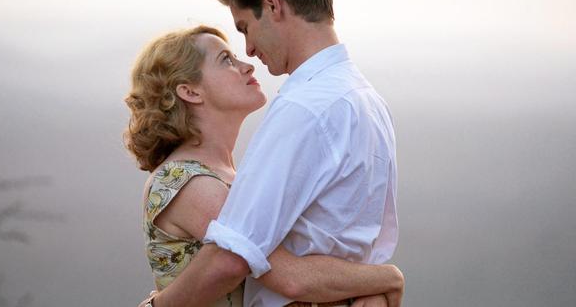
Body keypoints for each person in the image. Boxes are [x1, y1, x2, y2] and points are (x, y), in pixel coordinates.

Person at [125, 26, 403, 307]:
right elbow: (292, 278)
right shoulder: (190, 182)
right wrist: (386, 278)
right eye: (226, 60)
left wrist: (368, 290)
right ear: (190, 91)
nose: (247, 66)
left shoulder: (226, 177)